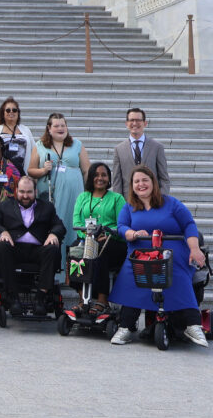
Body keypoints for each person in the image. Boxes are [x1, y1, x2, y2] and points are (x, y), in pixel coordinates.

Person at [109, 166, 208, 347]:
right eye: (136, 181)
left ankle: (192, 324)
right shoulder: (129, 207)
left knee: (175, 273)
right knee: (132, 275)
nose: (141, 184)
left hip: (172, 252)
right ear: (132, 186)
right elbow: (122, 226)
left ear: (153, 182)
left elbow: (188, 225)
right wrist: (130, 233)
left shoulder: (171, 203)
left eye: (145, 180)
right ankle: (126, 326)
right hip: (141, 253)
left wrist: (194, 248)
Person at [0, 176, 65, 317]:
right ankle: (14, 298)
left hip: (38, 249)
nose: (25, 196)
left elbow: (59, 226)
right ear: (16, 191)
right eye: (22, 191)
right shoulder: (5, 206)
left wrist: (53, 234)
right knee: (1, 247)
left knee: (52, 249)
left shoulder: (47, 207)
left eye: (29, 192)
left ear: (35, 191)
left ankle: (40, 299)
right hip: (14, 248)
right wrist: (3, 231)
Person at [29, 112, 89, 258]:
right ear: (49, 128)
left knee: (72, 225)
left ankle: (72, 268)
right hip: (50, 193)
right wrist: (43, 170)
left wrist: (88, 193)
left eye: (63, 125)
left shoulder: (77, 145)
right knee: (52, 226)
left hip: (74, 194)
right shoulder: (40, 146)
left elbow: (87, 170)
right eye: (56, 126)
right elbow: (30, 170)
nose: (60, 128)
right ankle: (53, 268)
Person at [70, 162, 127, 312]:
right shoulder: (83, 197)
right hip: (87, 238)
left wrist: (105, 234)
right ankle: (83, 298)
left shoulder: (117, 198)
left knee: (100, 251)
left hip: (112, 241)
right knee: (74, 251)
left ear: (109, 179)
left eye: (104, 175)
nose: (100, 178)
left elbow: (122, 225)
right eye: (96, 175)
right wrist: (89, 235)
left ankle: (102, 300)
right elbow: (76, 222)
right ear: (91, 178)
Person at [111, 107, 170, 197]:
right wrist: (119, 203)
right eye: (131, 120)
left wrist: (161, 199)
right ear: (126, 124)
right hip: (129, 201)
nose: (135, 123)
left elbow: (164, 178)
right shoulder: (119, 149)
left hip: (152, 201)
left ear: (145, 123)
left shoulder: (157, 147)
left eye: (138, 120)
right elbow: (117, 181)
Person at [0, 97, 34, 175]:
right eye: (8, 110)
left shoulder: (26, 130)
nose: (11, 112)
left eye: (14, 110)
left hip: (23, 174)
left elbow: (34, 151)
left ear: (18, 113)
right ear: (3, 113)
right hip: (3, 173)